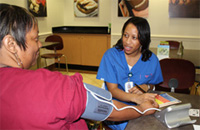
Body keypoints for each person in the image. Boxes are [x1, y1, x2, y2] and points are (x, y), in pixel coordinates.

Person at [0, 4, 159, 130]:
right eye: (35, 38)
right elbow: (106, 109)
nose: (40, 44)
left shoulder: (151, 59)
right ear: (11, 44)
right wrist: (141, 109)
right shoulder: (51, 85)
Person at [96, 16, 163, 130]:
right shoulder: (111, 56)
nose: (127, 42)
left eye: (134, 38)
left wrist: (146, 86)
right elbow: (113, 90)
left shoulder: (152, 60)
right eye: (125, 35)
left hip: (142, 105)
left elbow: (153, 84)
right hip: (117, 107)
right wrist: (136, 98)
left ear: (143, 40)